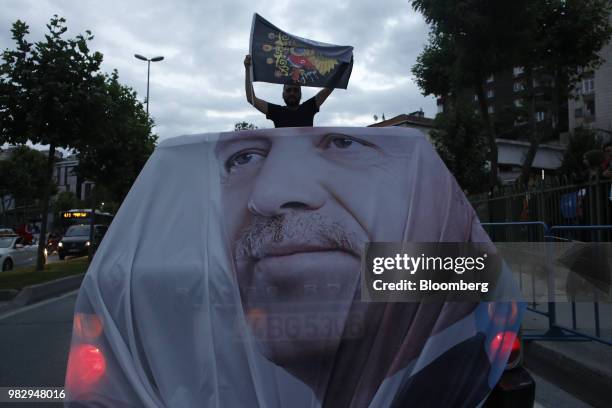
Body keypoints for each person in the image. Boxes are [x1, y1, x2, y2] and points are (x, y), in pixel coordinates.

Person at [64, 127, 524, 407]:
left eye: (345, 145)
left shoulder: (132, 286)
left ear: (447, 204)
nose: (269, 193)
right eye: (242, 159)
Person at [244, 54, 333, 127]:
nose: (292, 93)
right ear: (283, 94)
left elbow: (329, 88)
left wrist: (343, 68)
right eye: (288, 90)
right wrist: (247, 69)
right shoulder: (276, 112)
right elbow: (251, 99)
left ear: (301, 94)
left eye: (295, 90)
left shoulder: (309, 108)